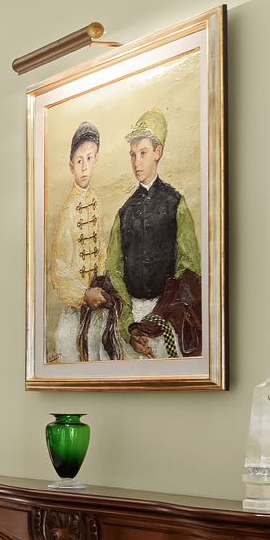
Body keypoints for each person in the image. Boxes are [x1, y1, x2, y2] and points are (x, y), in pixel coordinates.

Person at [105, 107, 202, 358]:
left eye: (143, 153)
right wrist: (129, 327)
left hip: (169, 315)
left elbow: (189, 268)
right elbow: (114, 270)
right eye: (133, 154)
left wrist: (158, 318)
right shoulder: (124, 212)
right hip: (131, 314)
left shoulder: (176, 203)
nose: (137, 162)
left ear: (158, 153)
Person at [47, 122, 115, 361]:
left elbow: (102, 250)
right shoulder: (68, 211)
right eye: (79, 161)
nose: (84, 167)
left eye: (89, 158)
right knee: (69, 343)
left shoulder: (97, 201)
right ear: (71, 166)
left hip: (99, 306)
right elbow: (59, 268)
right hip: (75, 308)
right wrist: (84, 294)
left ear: (96, 159)